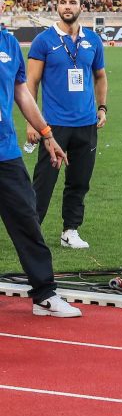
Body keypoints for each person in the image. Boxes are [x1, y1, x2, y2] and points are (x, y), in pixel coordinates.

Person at [0, 25, 80, 317]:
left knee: (27, 220)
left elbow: (21, 91)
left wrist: (47, 134)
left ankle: (45, 294)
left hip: (5, 153)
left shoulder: (8, 43)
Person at [26, 0, 107, 249]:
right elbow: (31, 83)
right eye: (63, 2)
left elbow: (101, 76)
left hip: (86, 124)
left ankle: (70, 231)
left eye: (72, 2)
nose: (67, 7)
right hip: (53, 126)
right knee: (44, 182)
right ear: (57, 7)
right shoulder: (43, 41)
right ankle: (31, 233)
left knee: (79, 182)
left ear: (81, 7)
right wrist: (32, 122)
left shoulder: (93, 40)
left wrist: (102, 108)